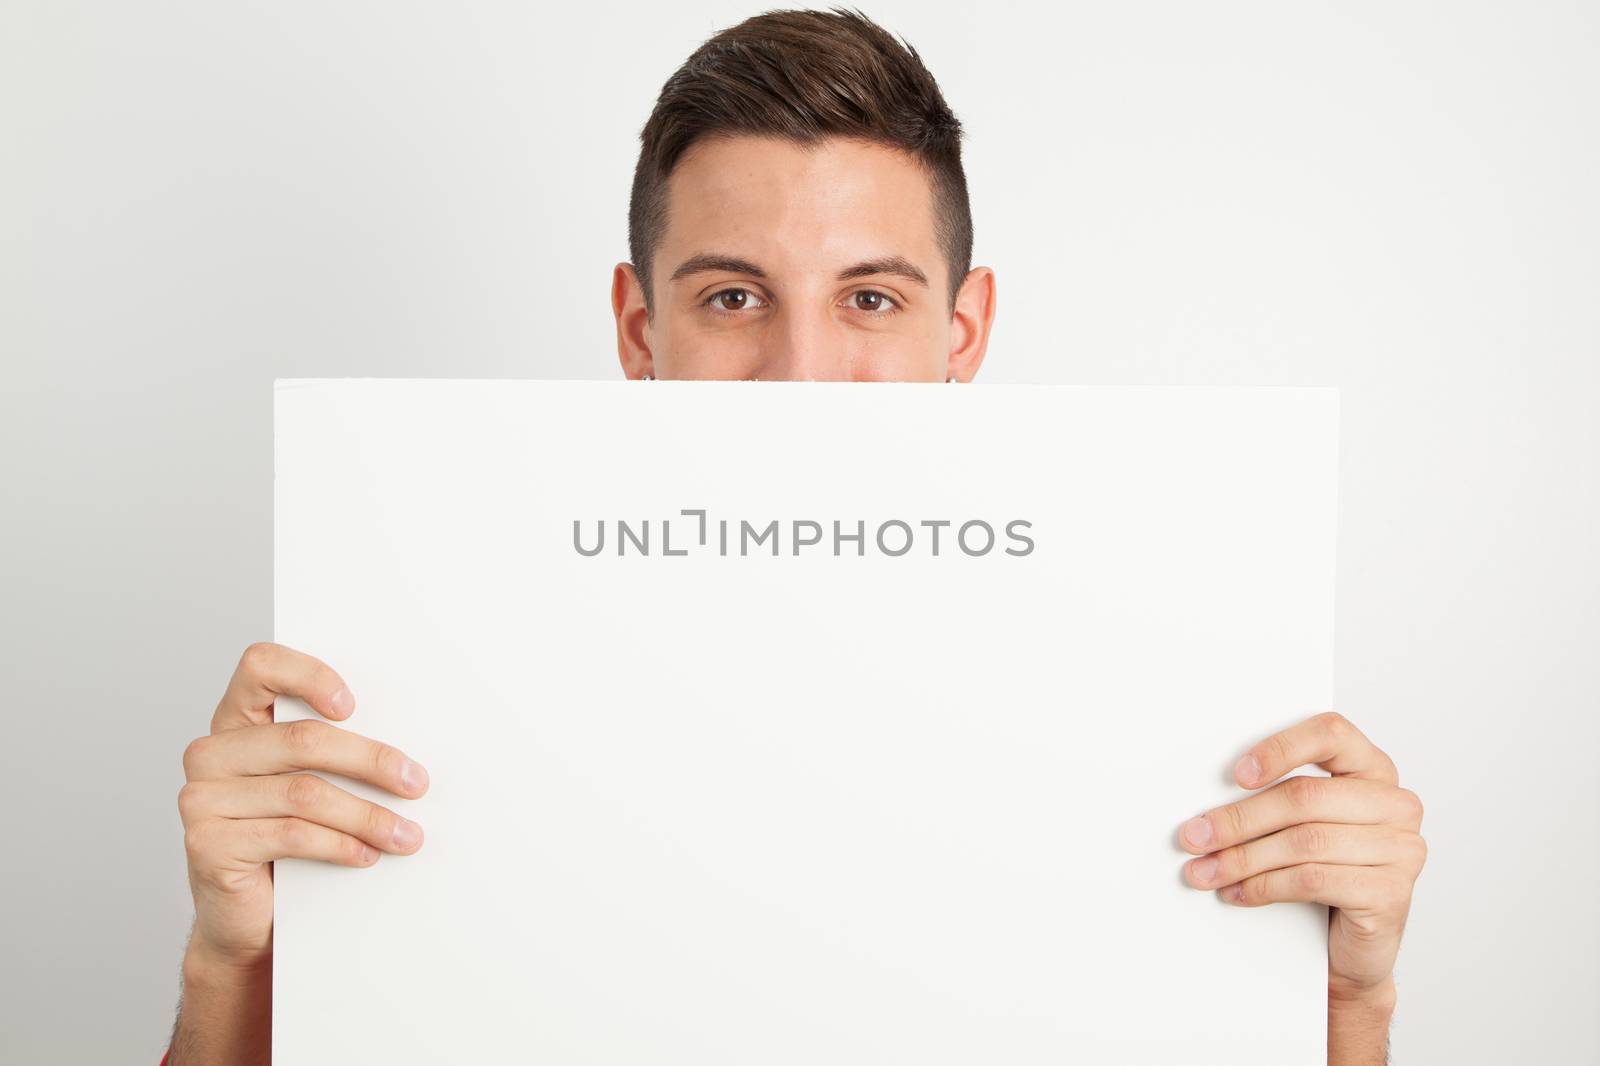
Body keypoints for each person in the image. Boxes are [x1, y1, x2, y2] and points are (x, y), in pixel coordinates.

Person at [162, 8, 1426, 1064]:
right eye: (731, 297)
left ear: (963, 335)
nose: (803, 373)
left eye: (869, 297)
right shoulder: (437, 663)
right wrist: (239, 961)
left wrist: (1346, 998)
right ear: (640, 328)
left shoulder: (1150, 669)